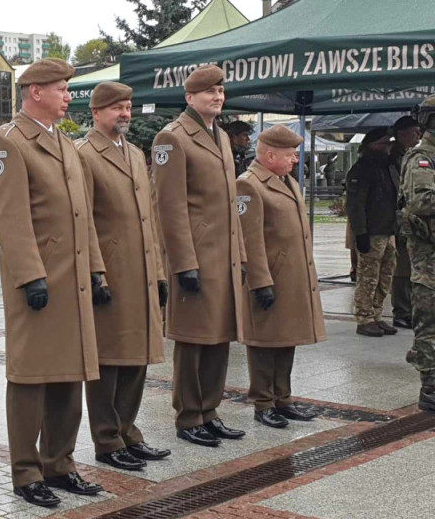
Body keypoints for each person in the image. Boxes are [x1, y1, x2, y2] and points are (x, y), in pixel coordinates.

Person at [0, 58, 104, 507]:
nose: (69, 96)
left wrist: (96, 269)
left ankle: (60, 464)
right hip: (39, 282)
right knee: (32, 377)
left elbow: (82, 216)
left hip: (71, 281)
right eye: (62, 89)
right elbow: (10, 219)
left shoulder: (66, 145)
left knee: (69, 375)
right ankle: (26, 472)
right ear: (35, 91)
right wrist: (32, 276)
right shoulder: (9, 143)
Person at [75, 82, 170, 471]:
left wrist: (160, 272)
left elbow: (150, 217)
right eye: (116, 108)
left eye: (128, 107)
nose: (125, 114)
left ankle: (129, 430)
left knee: (138, 355)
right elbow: (84, 221)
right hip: (111, 272)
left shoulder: (134, 153)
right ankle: (106, 439)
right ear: (97, 113)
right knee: (110, 359)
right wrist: (97, 272)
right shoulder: (84, 155)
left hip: (142, 271)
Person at [152, 65, 246, 447]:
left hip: (222, 256)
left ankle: (210, 410)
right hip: (195, 257)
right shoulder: (172, 138)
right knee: (192, 340)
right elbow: (169, 207)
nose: (218, 97)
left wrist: (239, 254)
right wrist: (183, 263)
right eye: (209, 92)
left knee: (219, 337)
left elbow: (229, 203)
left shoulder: (221, 136)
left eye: (221, 91)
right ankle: (189, 415)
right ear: (190, 98)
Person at [237, 125, 326, 428]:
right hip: (270, 278)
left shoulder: (285, 181)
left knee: (286, 337)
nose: (295, 160)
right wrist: (261, 282)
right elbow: (250, 240)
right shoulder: (249, 185)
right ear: (270, 154)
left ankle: (282, 398)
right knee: (264, 341)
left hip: (290, 277)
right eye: (290, 154)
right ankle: (263, 402)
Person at [346, 128, 399, 337]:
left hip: (388, 230)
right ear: (371, 145)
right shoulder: (362, 169)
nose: (388, 147)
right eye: (383, 143)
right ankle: (364, 317)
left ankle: (377, 314)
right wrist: (360, 233)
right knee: (368, 277)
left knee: (385, 276)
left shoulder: (387, 166)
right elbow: (355, 204)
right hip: (372, 232)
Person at [400, 96, 435, 412]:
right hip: (428, 260)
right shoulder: (421, 159)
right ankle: (430, 389)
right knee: (429, 323)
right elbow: (423, 203)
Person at [390, 116, 422, 329]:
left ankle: (408, 309)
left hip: (406, 220)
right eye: (414, 132)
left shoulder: (406, 155)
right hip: (398, 221)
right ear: (403, 134)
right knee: (402, 269)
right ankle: (402, 311)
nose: (418, 136)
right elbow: (398, 192)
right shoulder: (394, 158)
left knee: (409, 268)